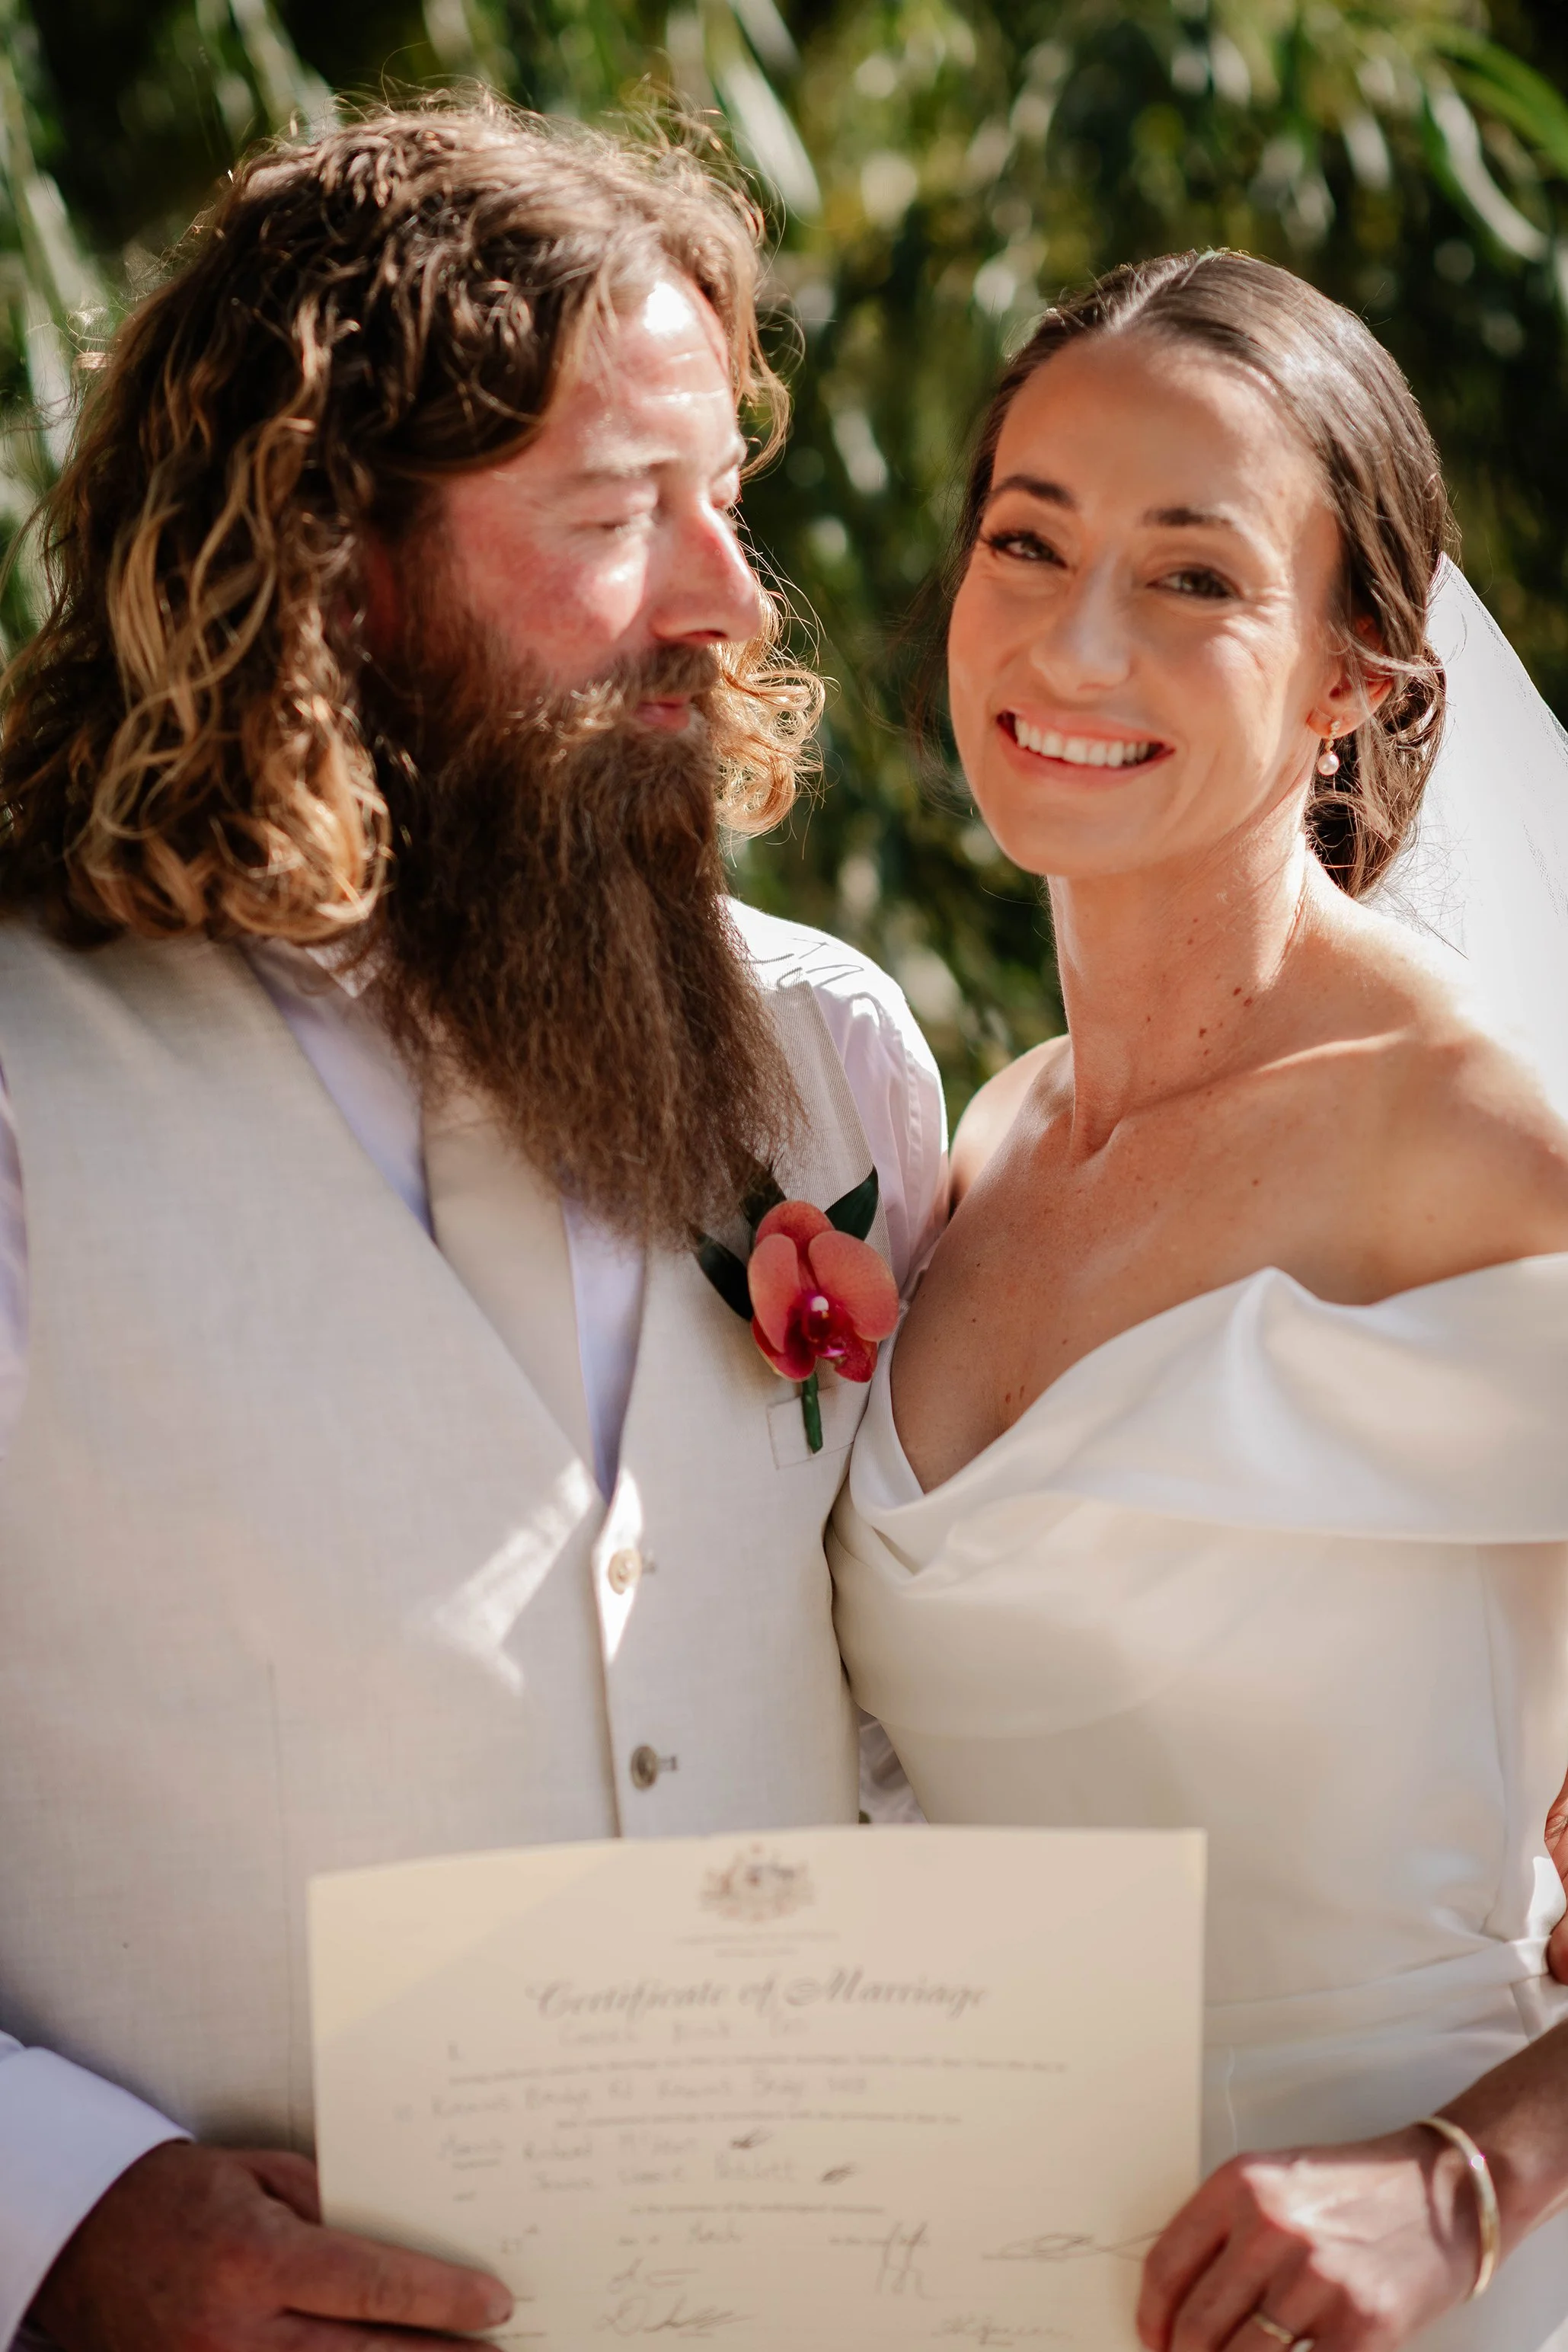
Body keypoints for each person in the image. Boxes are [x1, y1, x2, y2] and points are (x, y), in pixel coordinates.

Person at [0, 103, 946, 2351]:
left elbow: (934, 1705)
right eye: (623, 517)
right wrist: (59, 2219)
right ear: (337, 562)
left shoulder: (832, 1061)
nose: (729, 598)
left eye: (729, 499)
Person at [829, 249, 1568, 2352]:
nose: (1073, 639)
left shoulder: (1465, 1136)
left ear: (1356, 672)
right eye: (1027, 540)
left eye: (1193, 579)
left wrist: (1468, 2181)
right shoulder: (979, 1141)